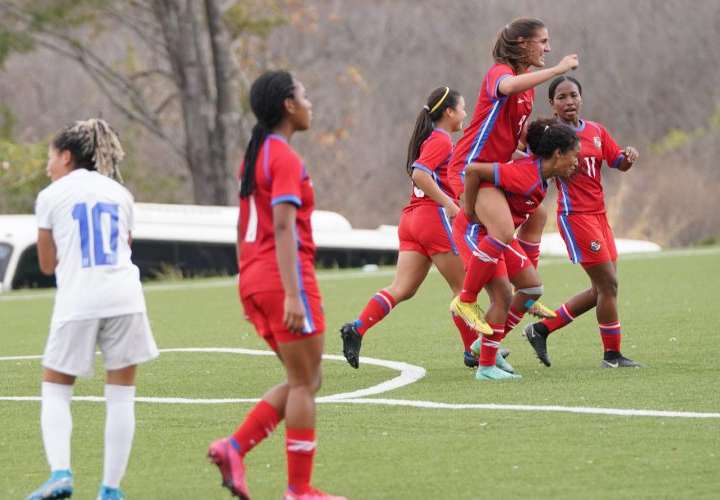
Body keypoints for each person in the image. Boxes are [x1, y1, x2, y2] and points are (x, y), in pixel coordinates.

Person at [207, 70, 345, 500]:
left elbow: (246, 226)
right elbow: (283, 227)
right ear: (288, 104)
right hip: (283, 278)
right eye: (304, 95)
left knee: (305, 377)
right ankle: (298, 490)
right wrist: (290, 293)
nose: (310, 103)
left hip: (253, 277)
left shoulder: (255, 155)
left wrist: (251, 277)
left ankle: (234, 448)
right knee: (305, 382)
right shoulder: (283, 157)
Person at [28, 119, 159, 500]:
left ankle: (61, 474)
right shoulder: (120, 193)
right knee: (121, 395)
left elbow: (47, 265)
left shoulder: (51, 195)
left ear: (66, 156)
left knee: (55, 387)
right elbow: (126, 246)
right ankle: (111, 490)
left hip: (79, 299)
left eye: (50, 157)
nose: (47, 165)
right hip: (126, 298)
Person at [339, 87, 511, 371]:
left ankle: (356, 329)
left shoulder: (434, 139)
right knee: (463, 289)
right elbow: (420, 173)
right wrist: (450, 206)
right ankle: (473, 350)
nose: (465, 114)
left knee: (402, 289)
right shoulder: (441, 140)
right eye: (463, 108)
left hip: (411, 220)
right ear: (449, 112)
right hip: (432, 220)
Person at [448, 17, 580, 331]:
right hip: (471, 168)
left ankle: (527, 293)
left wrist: (543, 155)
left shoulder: (528, 91)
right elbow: (507, 87)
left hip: (496, 168)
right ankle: (466, 299)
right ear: (522, 43)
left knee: (536, 216)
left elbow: (513, 140)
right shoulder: (501, 73)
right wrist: (557, 71)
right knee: (504, 231)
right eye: (543, 41)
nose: (548, 48)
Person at [524, 76, 642, 368]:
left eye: (573, 95)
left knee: (602, 290)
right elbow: (530, 165)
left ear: (581, 98)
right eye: (561, 97)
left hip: (600, 216)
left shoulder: (596, 131)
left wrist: (629, 156)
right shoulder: (550, 136)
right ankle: (612, 356)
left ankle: (541, 329)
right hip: (575, 217)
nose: (569, 102)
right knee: (609, 285)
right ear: (552, 104)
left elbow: (617, 161)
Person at [460, 118, 580, 380]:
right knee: (503, 294)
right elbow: (472, 171)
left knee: (532, 287)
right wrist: (468, 210)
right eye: (574, 155)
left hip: (500, 238)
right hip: (477, 233)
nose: (576, 162)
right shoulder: (524, 175)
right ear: (558, 154)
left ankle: (485, 345)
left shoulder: (538, 177)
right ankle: (486, 366)